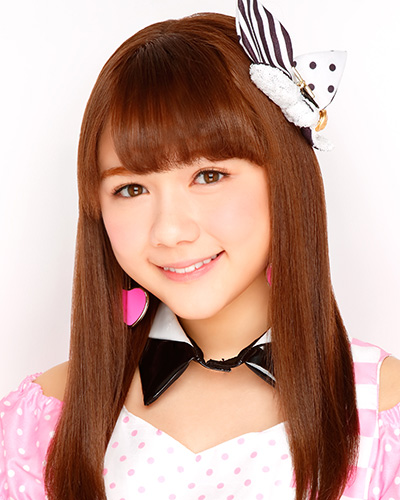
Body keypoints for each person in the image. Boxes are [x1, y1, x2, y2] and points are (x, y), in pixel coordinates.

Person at [1, 3, 399, 500]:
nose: (169, 231)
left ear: (285, 180)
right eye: (131, 189)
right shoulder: (41, 425)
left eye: (209, 176)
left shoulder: (383, 414)